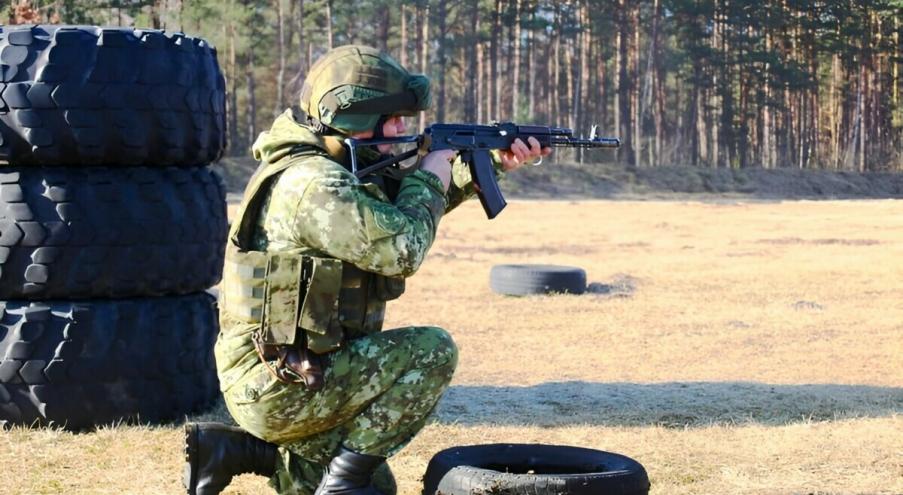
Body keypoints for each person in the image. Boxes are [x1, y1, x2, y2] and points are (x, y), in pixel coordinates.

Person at [184, 45, 550, 495]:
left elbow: (403, 211)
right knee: (431, 351)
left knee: (379, 488)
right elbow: (401, 247)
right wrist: (432, 172)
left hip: (297, 369)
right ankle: (340, 483)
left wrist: (488, 163)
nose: (402, 129)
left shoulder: (335, 166)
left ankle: (238, 452)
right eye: (393, 118)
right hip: (280, 382)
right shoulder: (315, 184)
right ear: (355, 116)